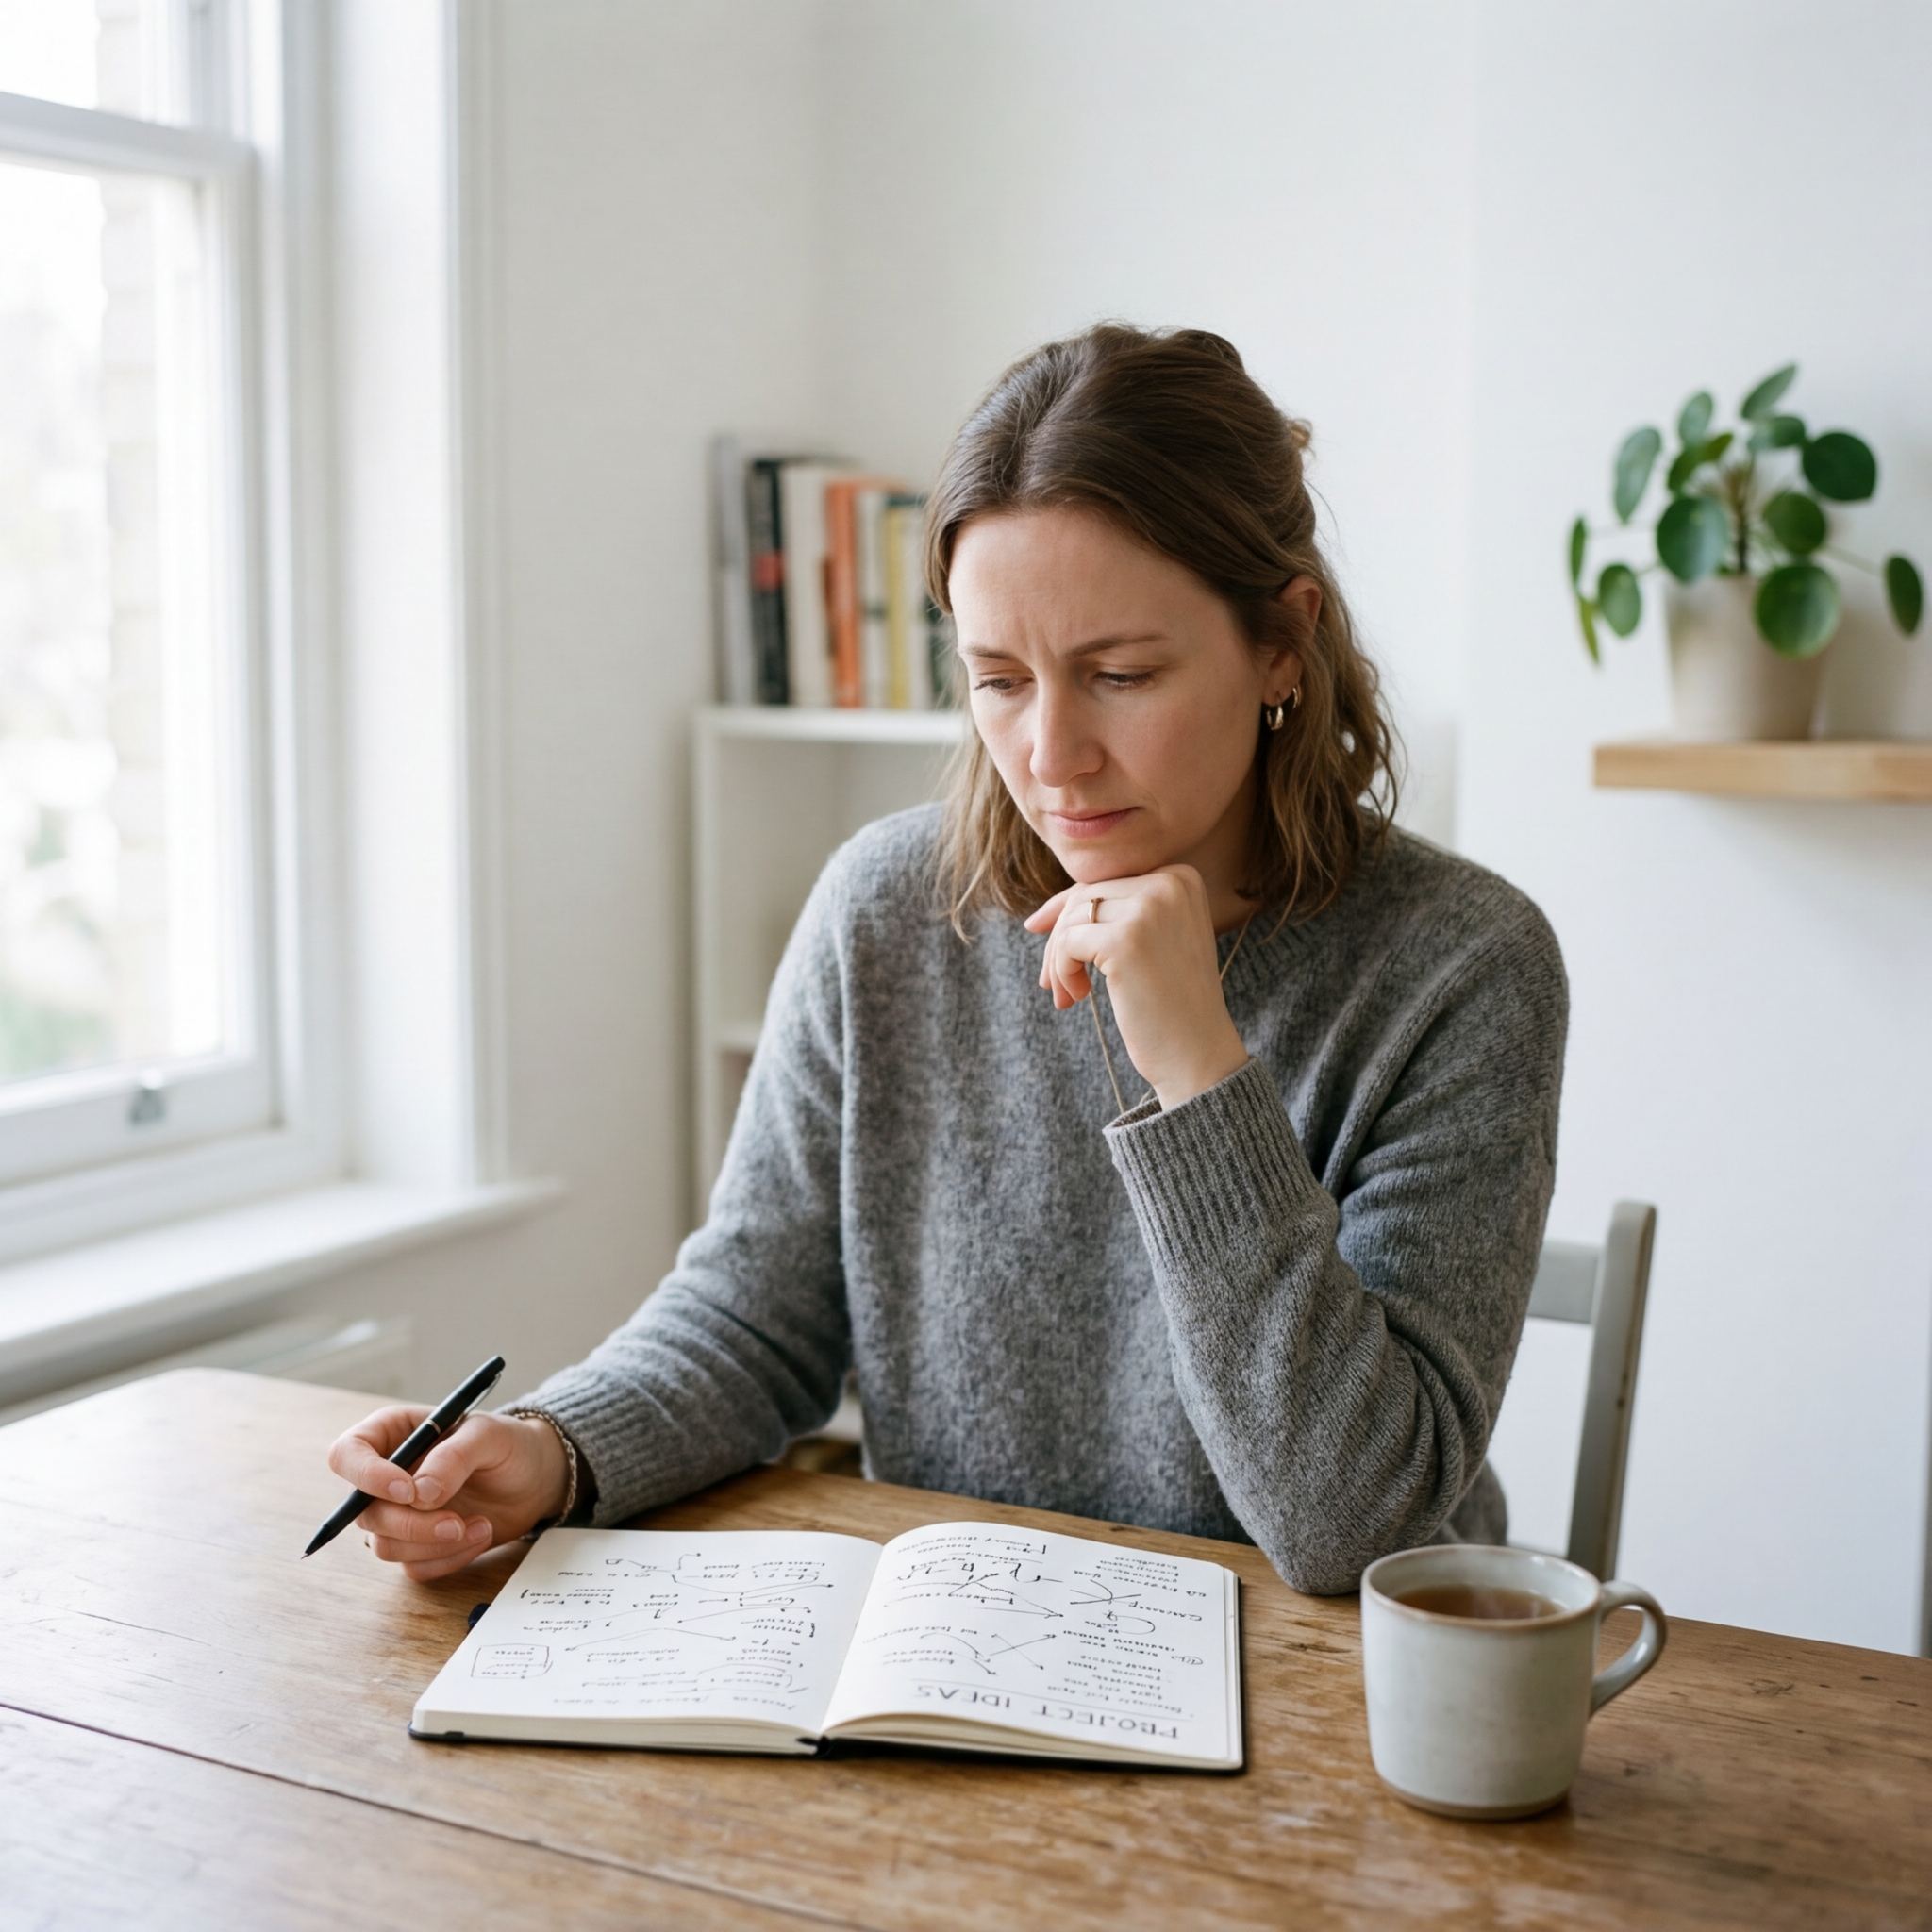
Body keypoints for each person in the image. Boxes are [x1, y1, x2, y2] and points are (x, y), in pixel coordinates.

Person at [328, 324, 1567, 1594]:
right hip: (958, 1664)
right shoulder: (886, 908)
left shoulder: (1463, 968)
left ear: (1281, 645)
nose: (1051, 753)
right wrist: (549, 1447)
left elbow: (1357, 1523)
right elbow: (756, 1319)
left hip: (1333, 1702)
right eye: (997, 679)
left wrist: (1199, 1067)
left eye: (1122, 674)